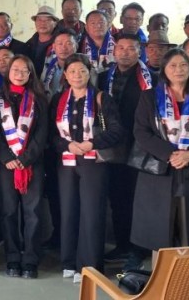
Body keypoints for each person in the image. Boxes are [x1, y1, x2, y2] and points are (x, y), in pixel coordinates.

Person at [131, 48, 189, 258]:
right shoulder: (150, 97)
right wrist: (170, 154)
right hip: (160, 171)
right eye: (173, 65)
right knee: (161, 231)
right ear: (164, 70)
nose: (178, 70)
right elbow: (141, 132)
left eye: (183, 65)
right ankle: (163, 276)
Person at [49, 54, 124, 283]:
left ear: (89, 73)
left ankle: (90, 265)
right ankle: (69, 262)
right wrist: (67, 145)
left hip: (94, 162)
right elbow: (51, 135)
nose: (77, 75)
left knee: (91, 212)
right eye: (72, 71)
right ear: (65, 75)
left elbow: (116, 130)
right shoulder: (59, 99)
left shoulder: (102, 98)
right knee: (68, 210)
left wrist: (92, 143)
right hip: (67, 162)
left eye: (82, 71)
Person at [96, 34, 156, 270]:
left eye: (131, 48)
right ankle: (122, 245)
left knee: (138, 200)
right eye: (120, 48)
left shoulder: (151, 79)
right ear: (114, 51)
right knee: (118, 198)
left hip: (140, 146)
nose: (125, 52)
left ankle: (138, 249)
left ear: (139, 51)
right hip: (112, 147)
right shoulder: (103, 77)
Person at [0, 56, 48, 279]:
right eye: (15, 69)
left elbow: (42, 133)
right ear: (8, 72)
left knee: (33, 212)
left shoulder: (39, 100)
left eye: (25, 70)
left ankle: (31, 258)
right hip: (5, 164)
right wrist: (6, 157)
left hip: (32, 163)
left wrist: (26, 158)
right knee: (8, 211)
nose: (19, 74)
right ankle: (12, 256)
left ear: (31, 74)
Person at [40, 30, 78, 97]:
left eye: (69, 44)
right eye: (60, 44)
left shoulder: (83, 69)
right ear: (54, 47)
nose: (64, 48)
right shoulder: (48, 65)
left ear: (76, 47)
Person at [23, 5, 59, 73]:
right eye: (39, 20)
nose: (43, 23)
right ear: (35, 23)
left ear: (55, 23)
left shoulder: (59, 45)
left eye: (48, 20)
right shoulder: (29, 44)